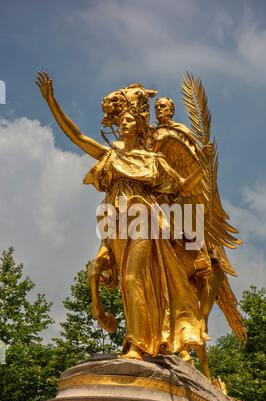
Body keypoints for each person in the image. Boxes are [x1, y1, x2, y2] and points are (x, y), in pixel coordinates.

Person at [36, 72, 207, 362]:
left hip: (142, 218)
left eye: (129, 119)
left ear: (139, 124)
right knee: (99, 269)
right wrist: (52, 102)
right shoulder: (112, 153)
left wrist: (203, 169)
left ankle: (137, 345)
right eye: (121, 119)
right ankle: (107, 317)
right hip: (113, 219)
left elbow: (181, 188)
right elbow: (78, 138)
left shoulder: (153, 161)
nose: (123, 122)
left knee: (131, 278)